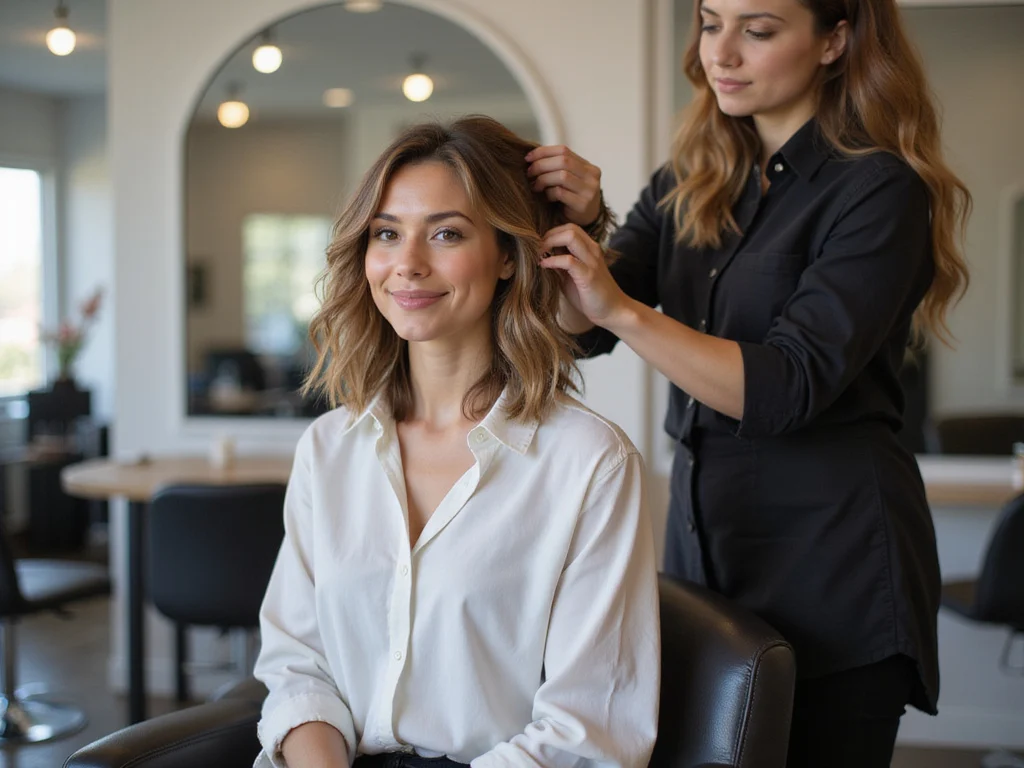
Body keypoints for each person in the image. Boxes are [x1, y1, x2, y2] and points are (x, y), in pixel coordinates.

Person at [525, 0, 971, 764]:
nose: (719, 53)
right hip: (708, 559)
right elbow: (581, 328)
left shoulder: (879, 191)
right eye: (709, 22)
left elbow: (786, 386)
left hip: (835, 569)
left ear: (835, 40)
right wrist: (583, 223)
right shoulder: (689, 180)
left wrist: (625, 309)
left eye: (757, 30)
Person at [252, 116, 660, 768]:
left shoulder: (588, 463)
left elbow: (591, 730)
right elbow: (299, 667)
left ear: (506, 256)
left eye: (446, 234)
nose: (408, 264)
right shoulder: (329, 448)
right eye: (387, 233)